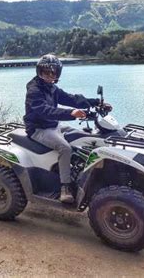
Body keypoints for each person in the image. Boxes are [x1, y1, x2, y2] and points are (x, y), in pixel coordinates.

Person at [23, 54, 112, 204]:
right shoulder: (34, 89)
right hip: (38, 129)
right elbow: (44, 110)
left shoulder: (52, 88)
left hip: (53, 125)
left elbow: (71, 99)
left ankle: (78, 172)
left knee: (82, 136)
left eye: (53, 72)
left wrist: (96, 103)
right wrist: (70, 113)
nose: (50, 75)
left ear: (58, 73)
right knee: (65, 148)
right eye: (46, 72)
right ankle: (65, 187)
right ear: (39, 72)